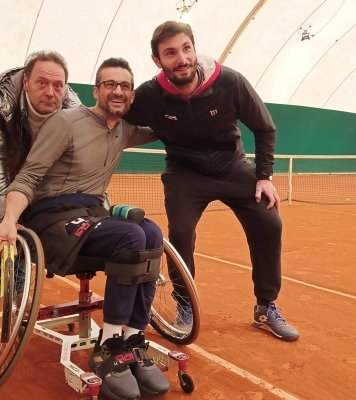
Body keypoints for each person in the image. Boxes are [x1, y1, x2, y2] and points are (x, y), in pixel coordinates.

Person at [0, 57, 168, 400]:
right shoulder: (65, 122)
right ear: (96, 90)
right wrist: (9, 220)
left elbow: (170, 123)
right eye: (110, 84)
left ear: (132, 95)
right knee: (131, 235)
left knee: (152, 233)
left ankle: (133, 338)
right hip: (51, 219)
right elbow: (28, 176)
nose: (118, 91)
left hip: (92, 214)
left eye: (125, 86)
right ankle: (109, 346)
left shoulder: (125, 129)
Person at [122, 21, 299, 342]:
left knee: (270, 222)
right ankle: (184, 305)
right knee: (180, 234)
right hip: (184, 174)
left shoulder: (229, 82)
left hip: (233, 167)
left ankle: (265, 306)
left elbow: (265, 128)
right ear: (157, 60)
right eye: (171, 53)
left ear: (194, 48)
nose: (181, 58)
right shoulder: (150, 95)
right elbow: (116, 120)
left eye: (186, 48)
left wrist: (264, 177)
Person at [0, 51, 83, 336]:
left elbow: (82, 160)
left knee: (31, 228)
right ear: (26, 82)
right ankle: (0, 302)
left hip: (36, 172)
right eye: (42, 83)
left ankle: (17, 294)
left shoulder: (74, 108)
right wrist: (7, 217)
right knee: (0, 229)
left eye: (58, 86)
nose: (50, 92)